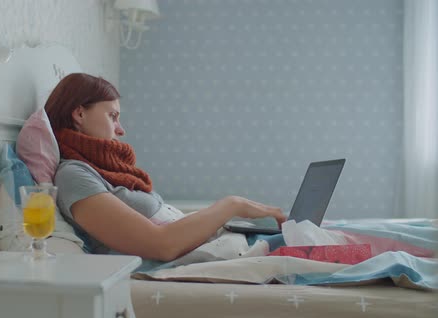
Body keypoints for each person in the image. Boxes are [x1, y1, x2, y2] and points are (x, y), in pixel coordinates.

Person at [44, 73, 286, 262]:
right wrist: (234, 204)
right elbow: (162, 245)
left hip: (213, 244)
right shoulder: (74, 176)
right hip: (186, 258)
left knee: (302, 233)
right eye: (112, 116)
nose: (120, 129)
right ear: (79, 113)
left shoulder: (102, 170)